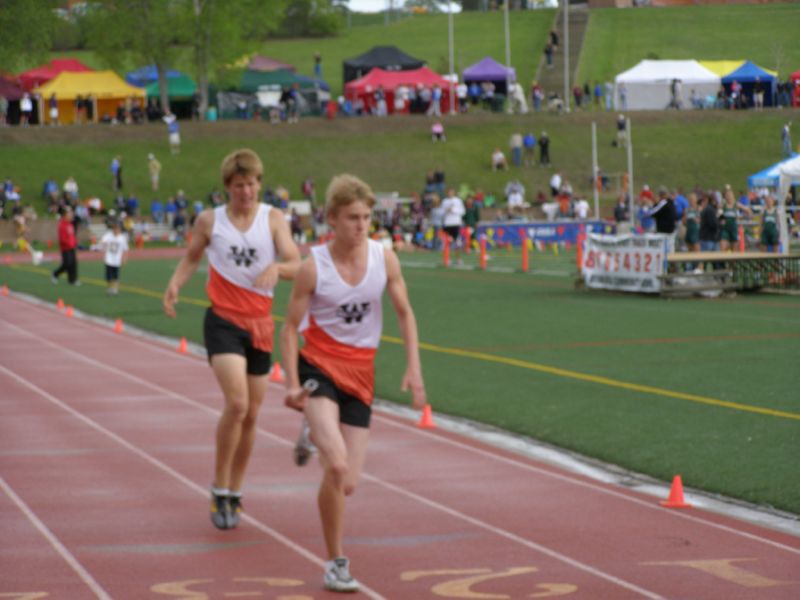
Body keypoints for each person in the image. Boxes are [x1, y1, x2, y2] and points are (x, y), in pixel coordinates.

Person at [280, 173, 426, 592]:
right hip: (319, 369)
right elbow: (290, 329)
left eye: (366, 217)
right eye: (352, 218)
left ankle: (313, 430)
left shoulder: (385, 258)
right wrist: (291, 382)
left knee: (347, 482)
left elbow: (405, 313)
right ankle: (336, 562)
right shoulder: (314, 267)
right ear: (331, 220)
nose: (361, 226)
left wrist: (414, 368)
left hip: (362, 373)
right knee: (337, 462)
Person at [163, 149, 301, 530]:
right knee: (238, 404)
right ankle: (218, 485)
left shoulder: (273, 219)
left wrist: (278, 267)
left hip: (260, 323)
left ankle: (235, 491)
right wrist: (175, 284)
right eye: (240, 185)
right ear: (227, 188)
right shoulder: (211, 221)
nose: (248, 191)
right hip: (223, 320)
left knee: (253, 414)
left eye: (253, 183)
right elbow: (192, 257)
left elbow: (296, 261)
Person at [52, 206, 80, 285]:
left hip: (72, 247)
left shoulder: (70, 224)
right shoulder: (62, 224)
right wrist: (69, 243)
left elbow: (72, 235)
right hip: (65, 248)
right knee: (67, 264)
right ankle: (55, 273)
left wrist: (75, 243)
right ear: (65, 215)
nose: (71, 215)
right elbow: (62, 238)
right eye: (69, 214)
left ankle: (72, 280)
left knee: (73, 264)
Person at [100, 220, 129, 295]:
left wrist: (124, 258)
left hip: (117, 260)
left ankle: (115, 288)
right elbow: (103, 242)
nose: (116, 230)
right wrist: (104, 252)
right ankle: (110, 287)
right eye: (115, 228)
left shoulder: (122, 238)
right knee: (108, 276)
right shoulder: (108, 235)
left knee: (116, 276)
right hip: (109, 259)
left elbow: (125, 249)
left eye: (118, 228)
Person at [441, 187, 466, 263]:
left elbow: (463, 211)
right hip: (447, 224)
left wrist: (454, 210)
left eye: (451, 192)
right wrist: (446, 211)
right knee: (447, 242)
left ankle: (458, 259)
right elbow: (442, 212)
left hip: (456, 223)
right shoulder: (445, 201)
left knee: (457, 242)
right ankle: (448, 258)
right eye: (449, 192)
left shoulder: (458, 201)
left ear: (454, 193)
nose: (450, 194)